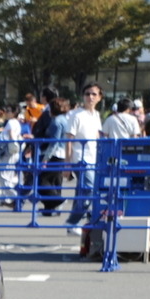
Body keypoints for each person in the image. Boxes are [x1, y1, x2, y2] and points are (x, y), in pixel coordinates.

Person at [62, 83, 103, 234]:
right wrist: (67, 164)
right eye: (87, 94)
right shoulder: (76, 114)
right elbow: (69, 139)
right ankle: (73, 221)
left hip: (93, 158)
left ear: (99, 97)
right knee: (88, 190)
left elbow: (98, 136)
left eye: (93, 94)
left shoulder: (97, 115)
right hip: (80, 158)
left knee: (83, 191)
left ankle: (74, 222)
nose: (90, 97)